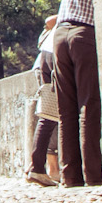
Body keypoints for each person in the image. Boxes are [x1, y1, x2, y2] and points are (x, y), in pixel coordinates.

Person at [52, 0, 102, 187]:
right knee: (88, 106)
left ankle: (70, 176)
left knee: (66, 110)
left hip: (60, 35)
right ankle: (92, 174)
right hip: (84, 34)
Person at [26, 17, 61, 187]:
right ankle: (43, 167)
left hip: (49, 58)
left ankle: (38, 167)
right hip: (50, 59)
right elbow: (49, 21)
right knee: (50, 115)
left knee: (51, 115)